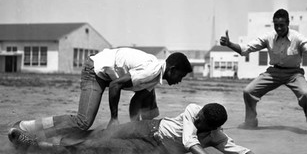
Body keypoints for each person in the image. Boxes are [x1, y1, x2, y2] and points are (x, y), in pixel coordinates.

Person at [8, 103, 307, 154]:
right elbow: (192, 145)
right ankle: (38, 132)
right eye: (201, 118)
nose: (199, 120)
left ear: (213, 127)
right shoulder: (193, 110)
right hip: (148, 127)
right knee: (97, 133)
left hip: (153, 147)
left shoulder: (216, 134)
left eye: (204, 123)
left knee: (98, 150)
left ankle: (34, 146)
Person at [14, 47, 193, 140]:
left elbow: (135, 102)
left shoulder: (155, 76)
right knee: (83, 121)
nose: (180, 80)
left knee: (150, 105)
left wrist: (135, 128)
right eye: (181, 75)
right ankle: (28, 128)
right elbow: (115, 85)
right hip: (95, 71)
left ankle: (37, 132)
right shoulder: (151, 70)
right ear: (172, 69)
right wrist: (114, 118)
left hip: (105, 75)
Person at [220, 8, 307, 135]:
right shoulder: (268, 37)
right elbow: (246, 49)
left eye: (281, 25)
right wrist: (229, 44)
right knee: (248, 91)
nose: (278, 28)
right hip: (273, 72)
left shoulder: (298, 38)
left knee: (306, 94)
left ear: (288, 23)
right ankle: (250, 121)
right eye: (276, 25)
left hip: (294, 74)